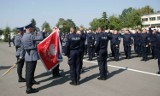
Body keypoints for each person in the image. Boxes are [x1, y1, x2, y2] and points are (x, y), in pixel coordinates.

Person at [22, 23, 43, 94]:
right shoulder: (30, 35)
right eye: (32, 28)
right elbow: (40, 37)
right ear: (29, 28)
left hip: (27, 55)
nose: (33, 29)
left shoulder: (24, 35)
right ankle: (29, 88)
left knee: (28, 72)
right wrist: (40, 31)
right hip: (32, 55)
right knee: (30, 73)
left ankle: (30, 84)